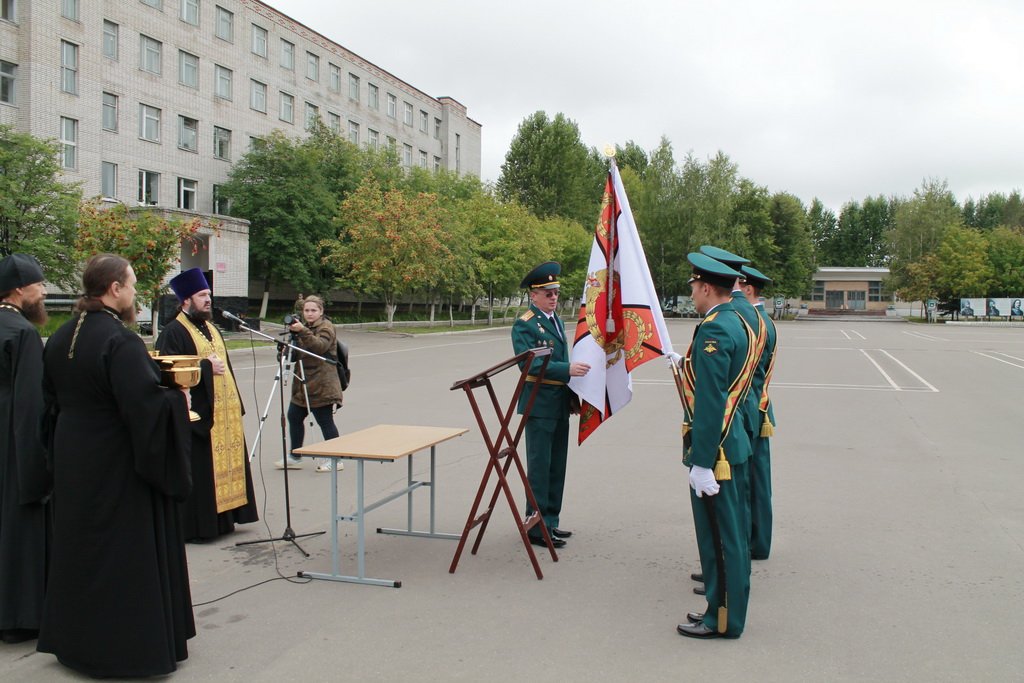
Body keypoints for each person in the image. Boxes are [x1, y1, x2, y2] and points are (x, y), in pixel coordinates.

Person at [37, 253, 195, 677]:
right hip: (114, 461)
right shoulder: (121, 340)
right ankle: (120, 650)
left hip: (74, 456)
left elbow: (49, 401)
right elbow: (142, 408)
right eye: (132, 284)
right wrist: (176, 402)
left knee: (80, 548)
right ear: (114, 289)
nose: (135, 292)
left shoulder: (60, 334)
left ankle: (75, 642)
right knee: (119, 553)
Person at [673, 252, 756, 640]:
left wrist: (703, 461)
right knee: (731, 535)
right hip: (733, 440)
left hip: (716, 449)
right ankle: (723, 610)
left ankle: (720, 619)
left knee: (719, 540)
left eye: (693, 287)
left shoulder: (714, 329)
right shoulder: (735, 321)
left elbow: (711, 400)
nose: (691, 293)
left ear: (706, 287)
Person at [155, 267, 258, 541]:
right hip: (199, 413)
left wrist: (236, 405)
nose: (208, 300)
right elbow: (167, 371)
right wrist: (203, 366)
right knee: (203, 472)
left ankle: (228, 518)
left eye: (209, 294)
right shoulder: (173, 332)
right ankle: (202, 526)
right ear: (186, 300)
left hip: (225, 412)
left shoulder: (212, 327)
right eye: (202, 295)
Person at [510, 262, 590, 549]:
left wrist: (570, 393)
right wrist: (566, 369)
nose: (553, 297)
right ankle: (535, 526)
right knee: (540, 466)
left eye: (556, 292)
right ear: (534, 295)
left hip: (557, 404)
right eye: (547, 293)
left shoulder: (555, 321)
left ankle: (551, 521)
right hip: (539, 404)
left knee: (557, 466)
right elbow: (528, 362)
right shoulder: (526, 324)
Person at [0, 254, 51, 645]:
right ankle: (20, 617)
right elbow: (32, 405)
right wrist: (37, 467)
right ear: (20, 290)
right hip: (14, 448)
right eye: (39, 284)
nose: (44, 291)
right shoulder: (23, 333)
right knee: (19, 532)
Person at [279, 295, 344, 473]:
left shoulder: (327, 327)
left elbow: (319, 347)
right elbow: (296, 354)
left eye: (313, 310)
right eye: (306, 310)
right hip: (303, 384)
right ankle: (295, 455)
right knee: (294, 417)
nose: (309, 314)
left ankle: (336, 459)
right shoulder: (303, 327)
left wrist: (302, 332)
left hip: (323, 384)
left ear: (321, 311)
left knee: (325, 421)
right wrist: (285, 350)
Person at [740, 265, 778, 560]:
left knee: (749, 485)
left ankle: (752, 543)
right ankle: (758, 542)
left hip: (749, 408)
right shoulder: (762, 319)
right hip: (759, 407)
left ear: (748, 289)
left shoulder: (753, 321)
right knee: (757, 482)